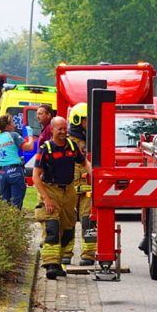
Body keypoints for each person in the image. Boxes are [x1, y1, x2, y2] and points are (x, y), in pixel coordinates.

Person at [33, 116, 91, 280]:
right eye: (60, 129)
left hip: (68, 192)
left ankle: (58, 263)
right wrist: (46, 199)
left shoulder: (72, 146)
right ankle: (50, 265)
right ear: (52, 130)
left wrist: (98, 177)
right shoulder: (45, 149)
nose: (63, 132)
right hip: (50, 191)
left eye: (65, 128)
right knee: (52, 227)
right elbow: (36, 176)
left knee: (68, 229)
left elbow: (84, 162)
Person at [62, 103, 96, 266]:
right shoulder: (66, 142)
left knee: (88, 221)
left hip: (88, 191)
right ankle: (66, 254)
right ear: (76, 120)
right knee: (68, 222)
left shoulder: (95, 140)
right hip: (69, 189)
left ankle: (88, 255)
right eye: (85, 120)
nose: (89, 123)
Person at [0, 114, 35, 208]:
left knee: (5, 203)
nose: (14, 125)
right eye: (13, 123)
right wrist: (30, 135)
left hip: (2, 173)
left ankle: (7, 222)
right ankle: (16, 221)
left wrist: (2, 162)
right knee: (16, 203)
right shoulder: (13, 135)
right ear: (7, 126)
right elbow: (30, 147)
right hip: (15, 171)